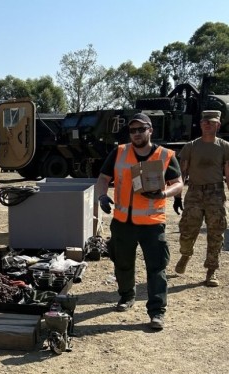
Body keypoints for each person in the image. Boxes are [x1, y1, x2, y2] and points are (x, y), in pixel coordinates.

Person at [95, 113, 184, 330]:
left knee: (156, 268)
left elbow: (179, 183)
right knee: (123, 263)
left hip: (152, 223)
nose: (136, 134)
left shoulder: (165, 155)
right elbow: (103, 178)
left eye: (141, 129)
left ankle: (157, 312)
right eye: (132, 130)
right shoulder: (119, 152)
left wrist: (164, 193)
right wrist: (102, 196)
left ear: (150, 130)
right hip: (123, 222)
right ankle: (127, 296)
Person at [173, 110, 229, 287]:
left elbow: (228, 173)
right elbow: (181, 174)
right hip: (194, 194)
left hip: (216, 194)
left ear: (218, 125)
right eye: (205, 122)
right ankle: (185, 254)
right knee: (187, 230)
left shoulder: (224, 147)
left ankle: (211, 270)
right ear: (201, 124)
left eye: (211, 122)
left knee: (216, 233)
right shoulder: (190, 146)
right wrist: (177, 197)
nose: (207, 124)